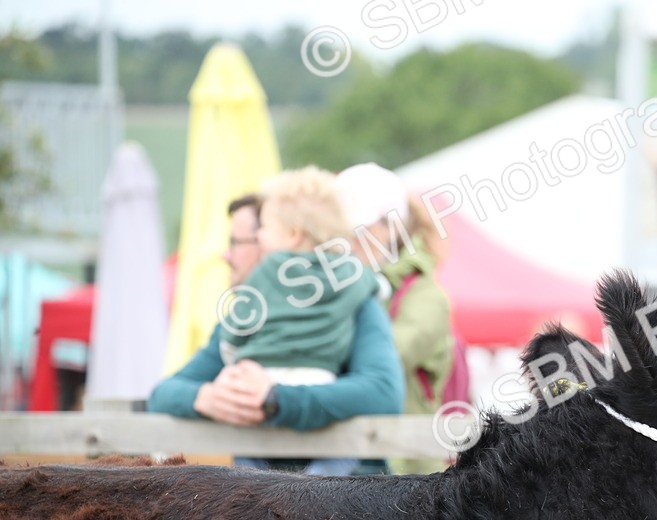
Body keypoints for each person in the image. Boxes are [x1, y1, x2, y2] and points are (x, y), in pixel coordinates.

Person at [148, 190, 404, 473]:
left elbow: (384, 391)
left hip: (353, 492)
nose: (226, 255)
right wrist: (208, 398)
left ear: (285, 241)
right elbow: (163, 394)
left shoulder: (356, 301)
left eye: (237, 242)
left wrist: (275, 398)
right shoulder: (245, 315)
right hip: (266, 491)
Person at [215, 166, 380, 476]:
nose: (258, 235)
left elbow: (238, 325)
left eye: (264, 227)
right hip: (319, 381)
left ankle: (252, 481)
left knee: (247, 450)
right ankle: (319, 479)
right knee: (341, 450)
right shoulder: (350, 271)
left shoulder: (267, 270)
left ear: (293, 234)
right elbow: (372, 285)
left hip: (260, 380)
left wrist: (232, 355)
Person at [336, 162, 461, 475]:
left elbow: (378, 363)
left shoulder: (426, 296)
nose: (345, 243)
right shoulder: (340, 285)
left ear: (390, 229)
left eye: (357, 231)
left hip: (409, 479)